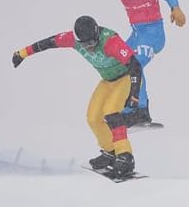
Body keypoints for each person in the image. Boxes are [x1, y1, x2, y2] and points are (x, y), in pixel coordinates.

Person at [51, 0, 186, 127]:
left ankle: (139, 112)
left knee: (134, 65)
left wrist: (175, 7)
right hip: (137, 34)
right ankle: (130, 108)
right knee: (119, 64)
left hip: (153, 35)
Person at [12, 15, 143, 178]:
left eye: (92, 43)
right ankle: (111, 151)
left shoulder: (110, 42)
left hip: (124, 79)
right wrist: (22, 53)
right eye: (84, 44)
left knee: (111, 112)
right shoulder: (71, 40)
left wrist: (135, 96)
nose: (88, 47)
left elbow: (135, 66)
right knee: (93, 118)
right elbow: (48, 43)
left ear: (97, 36)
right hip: (107, 81)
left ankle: (125, 156)